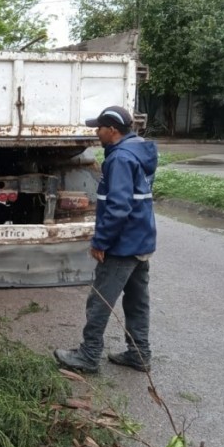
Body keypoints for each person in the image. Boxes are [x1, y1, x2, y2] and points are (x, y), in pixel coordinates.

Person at [53, 106, 158, 374]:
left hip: (122, 245)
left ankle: (88, 356)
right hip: (141, 240)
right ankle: (139, 353)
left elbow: (119, 207)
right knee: (136, 301)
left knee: (99, 301)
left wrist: (101, 242)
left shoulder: (119, 159)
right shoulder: (139, 150)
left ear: (112, 130)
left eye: (99, 128)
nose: (96, 132)